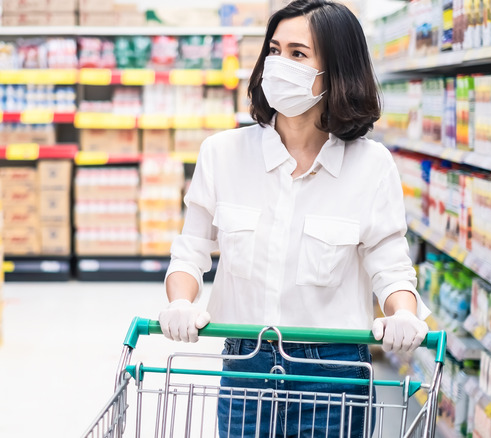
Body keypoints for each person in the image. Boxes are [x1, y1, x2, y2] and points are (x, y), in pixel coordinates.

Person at [158, 0, 432, 437]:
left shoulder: (371, 166)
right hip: (246, 364)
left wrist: (402, 313)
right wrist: (180, 303)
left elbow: (389, 263)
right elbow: (190, 252)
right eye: (273, 50)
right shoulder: (222, 154)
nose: (278, 65)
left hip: (334, 372)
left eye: (298, 54)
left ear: (337, 73)